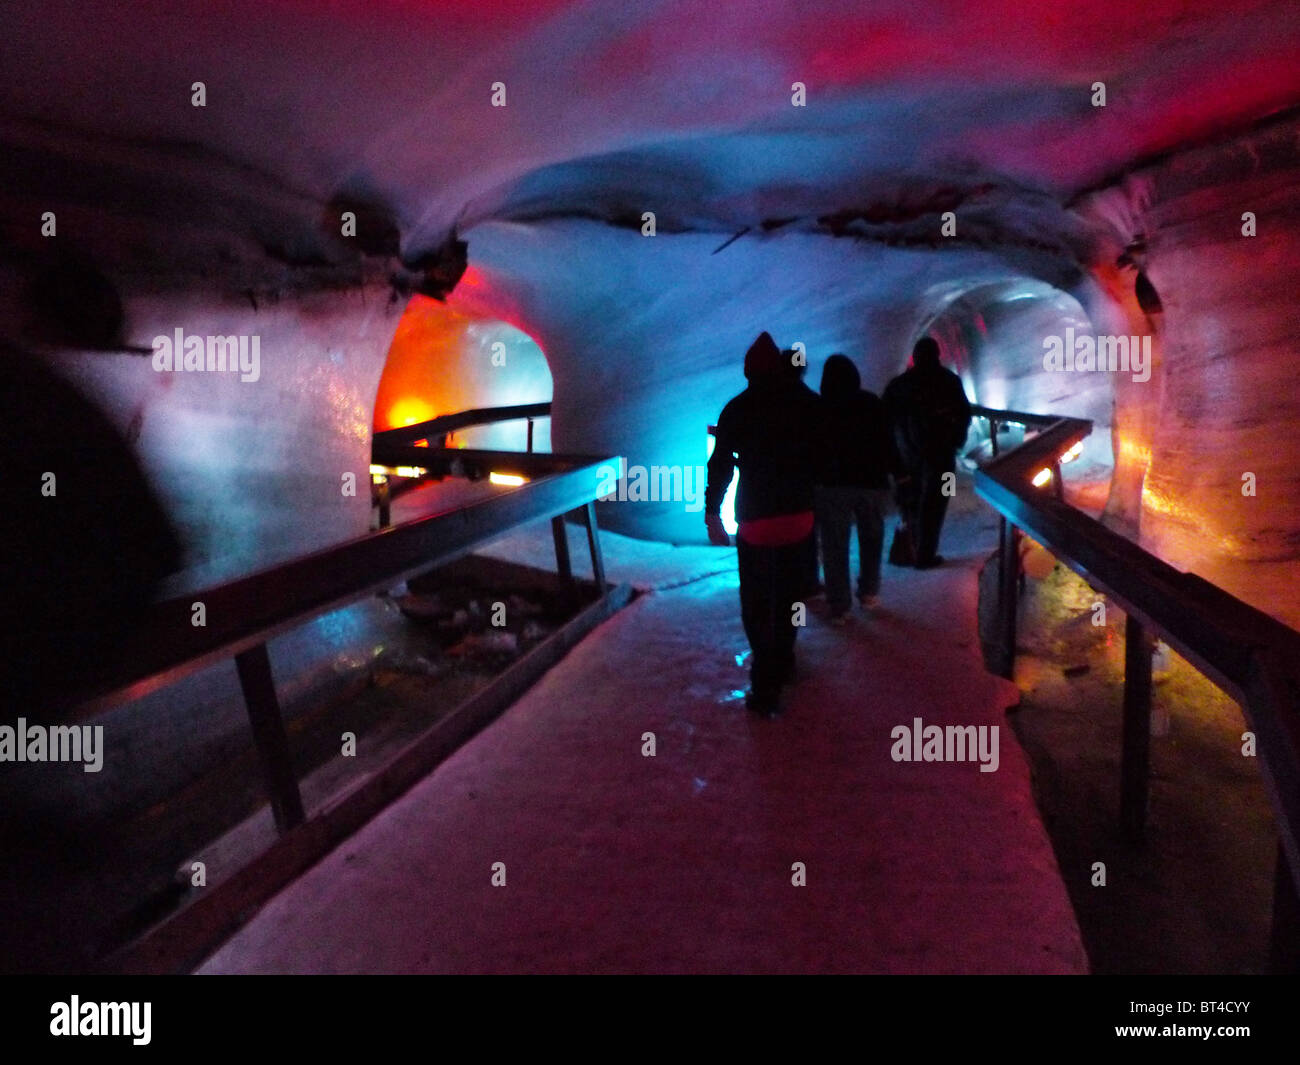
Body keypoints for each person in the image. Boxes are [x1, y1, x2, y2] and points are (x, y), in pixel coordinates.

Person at [706, 332, 824, 718]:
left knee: (756, 601)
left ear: (748, 371)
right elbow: (826, 453)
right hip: (799, 517)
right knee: (790, 595)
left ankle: (764, 679)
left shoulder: (737, 408)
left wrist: (712, 511)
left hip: (756, 519)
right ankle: (785, 657)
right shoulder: (807, 404)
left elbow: (721, 464)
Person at [815, 354, 896, 621]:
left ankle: (839, 603)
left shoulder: (821, 407)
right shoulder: (872, 403)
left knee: (834, 545)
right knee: (871, 538)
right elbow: (887, 441)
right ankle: (869, 592)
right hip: (871, 483)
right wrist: (900, 472)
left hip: (833, 485)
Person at [882, 336, 972, 569]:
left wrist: (893, 459)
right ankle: (926, 553)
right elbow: (964, 414)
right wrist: (956, 441)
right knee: (937, 504)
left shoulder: (898, 385)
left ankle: (910, 546)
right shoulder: (949, 381)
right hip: (941, 457)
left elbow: (884, 422)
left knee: (909, 502)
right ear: (937, 354)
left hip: (906, 457)